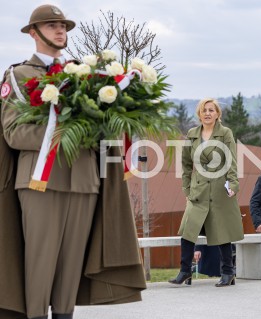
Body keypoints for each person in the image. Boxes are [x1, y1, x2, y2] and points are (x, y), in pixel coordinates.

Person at [0, 5, 146, 319]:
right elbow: (14, 133)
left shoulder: (87, 76)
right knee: (39, 266)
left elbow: (103, 127)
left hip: (83, 181)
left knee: (69, 271)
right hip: (40, 182)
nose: (60, 30)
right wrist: (66, 132)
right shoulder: (18, 74)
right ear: (33, 33)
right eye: (52, 25)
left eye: (63, 26)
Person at [169, 98, 244, 287]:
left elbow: (232, 161)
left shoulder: (225, 133)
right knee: (188, 230)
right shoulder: (192, 134)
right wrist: (186, 188)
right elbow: (186, 164)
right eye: (204, 110)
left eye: (211, 110)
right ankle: (185, 271)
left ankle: (228, 272)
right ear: (199, 114)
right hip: (198, 190)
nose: (207, 113)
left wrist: (233, 184)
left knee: (222, 231)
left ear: (218, 114)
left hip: (220, 189)